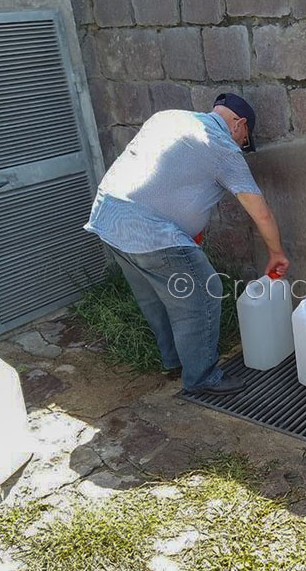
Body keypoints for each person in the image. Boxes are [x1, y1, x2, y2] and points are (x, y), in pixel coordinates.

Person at [85, 93, 289, 396]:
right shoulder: (220, 146)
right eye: (244, 141)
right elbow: (261, 212)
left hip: (110, 217)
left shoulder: (168, 117)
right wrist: (276, 253)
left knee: (155, 297)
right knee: (204, 293)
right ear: (239, 124)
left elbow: (163, 180)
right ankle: (202, 376)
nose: (241, 149)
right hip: (150, 231)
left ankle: (174, 361)